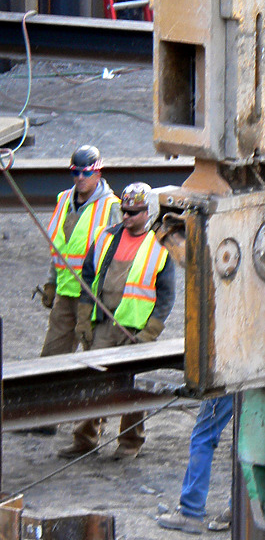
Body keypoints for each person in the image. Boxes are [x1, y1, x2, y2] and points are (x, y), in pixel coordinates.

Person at [58, 181, 175, 460]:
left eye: (133, 212)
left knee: (130, 387)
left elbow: (167, 296)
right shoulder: (106, 237)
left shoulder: (160, 247)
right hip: (103, 324)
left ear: (149, 212)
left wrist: (151, 331)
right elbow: (88, 279)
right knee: (94, 381)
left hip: (134, 329)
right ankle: (85, 439)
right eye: (124, 211)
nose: (125, 216)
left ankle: (130, 443)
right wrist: (84, 319)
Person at [40, 144, 121, 360]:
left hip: (94, 298)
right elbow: (59, 249)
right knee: (51, 358)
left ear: (98, 173)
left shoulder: (111, 207)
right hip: (65, 295)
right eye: (76, 172)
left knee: (95, 359)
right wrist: (52, 283)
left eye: (86, 172)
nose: (80, 177)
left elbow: (118, 260)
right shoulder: (64, 200)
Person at [157, 394, 233, 534]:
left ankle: (191, 511)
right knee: (246, 435)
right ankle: (239, 506)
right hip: (259, 378)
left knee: (203, 437)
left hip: (230, 379)